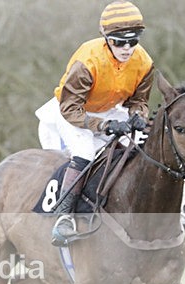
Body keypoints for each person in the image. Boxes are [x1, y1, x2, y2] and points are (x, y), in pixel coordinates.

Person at [35, 0, 154, 247]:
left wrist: (138, 116)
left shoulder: (144, 62)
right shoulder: (88, 61)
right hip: (71, 111)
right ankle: (64, 217)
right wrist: (104, 126)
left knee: (141, 145)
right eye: (119, 42)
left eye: (133, 41)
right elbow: (70, 109)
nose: (127, 48)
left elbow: (139, 101)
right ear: (106, 39)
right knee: (86, 152)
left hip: (110, 110)